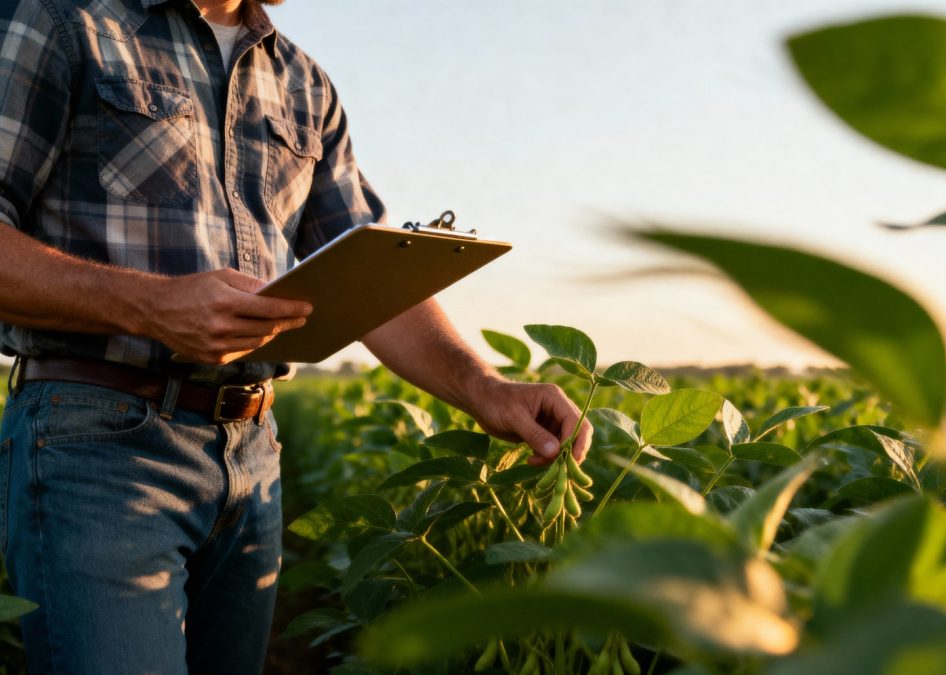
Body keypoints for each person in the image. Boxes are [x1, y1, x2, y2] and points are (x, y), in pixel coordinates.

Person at [0, 0, 592, 672]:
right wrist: (149, 305)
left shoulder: (305, 85)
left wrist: (484, 386)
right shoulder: (61, 21)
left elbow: (370, 278)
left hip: (253, 455)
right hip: (99, 445)